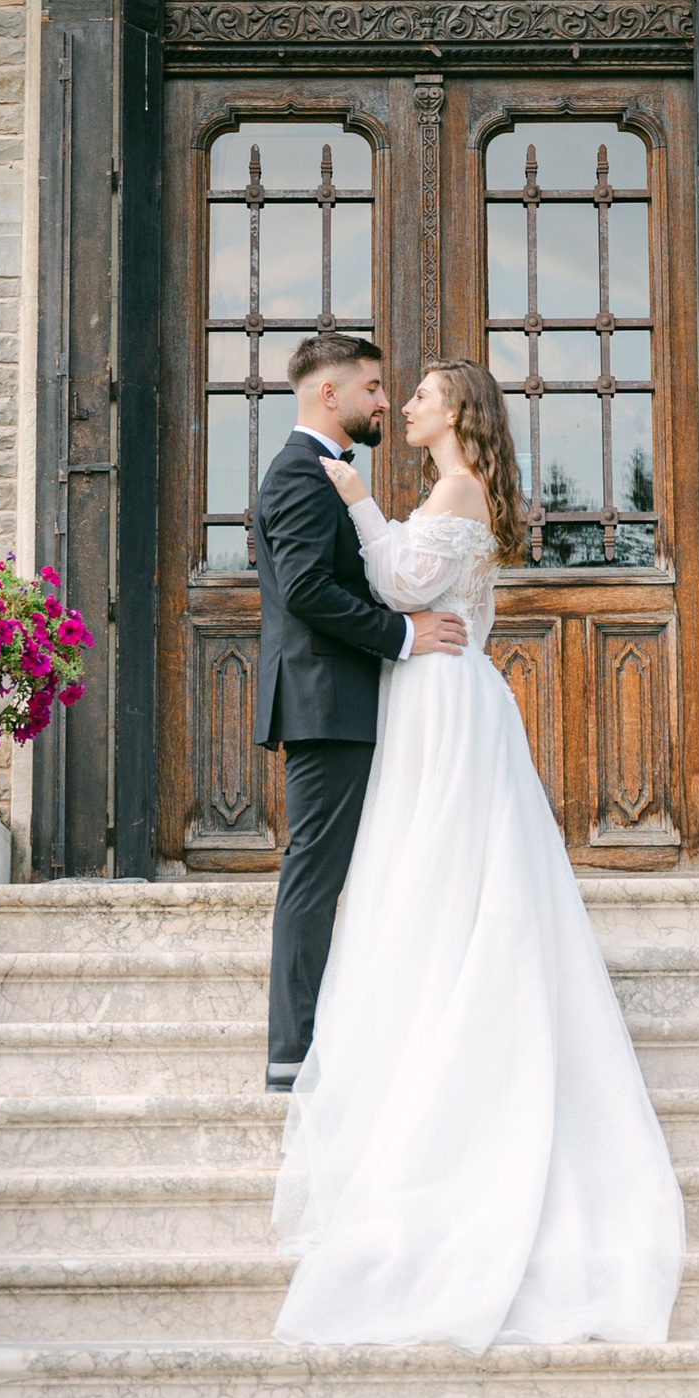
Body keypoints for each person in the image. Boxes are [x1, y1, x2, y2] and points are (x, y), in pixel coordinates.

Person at [272, 355, 686, 1353]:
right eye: (395, 391)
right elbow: (407, 587)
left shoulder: (453, 489)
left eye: (419, 394)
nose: (404, 404)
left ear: (457, 412)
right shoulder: (450, 488)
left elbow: (401, 582)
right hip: (430, 690)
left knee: (444, 862)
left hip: (443, 694)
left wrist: (361, 502)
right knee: (422, 863)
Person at [254, 329, 470, 1097]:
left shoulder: (328, 472)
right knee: (314, 875)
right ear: (330, 393)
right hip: (326, 704)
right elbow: (307, 591)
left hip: (351, 700)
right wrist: (404, 635)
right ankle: (291, 1052)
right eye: (373, 388)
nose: (385, 401)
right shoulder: (298, 474)